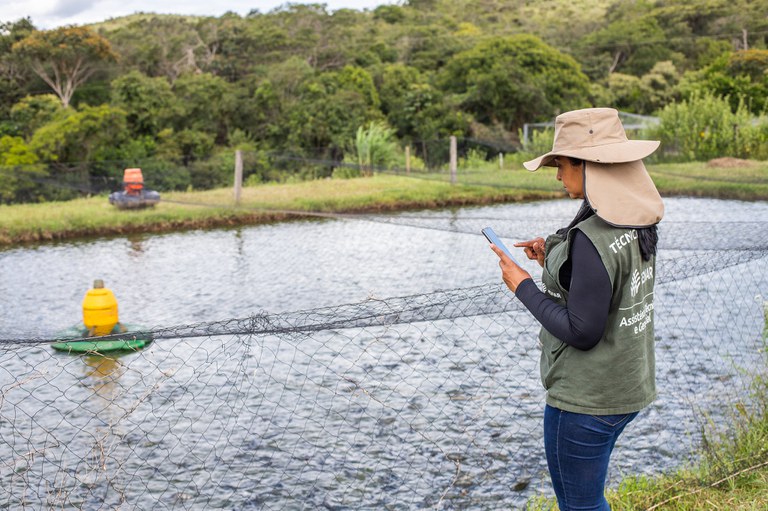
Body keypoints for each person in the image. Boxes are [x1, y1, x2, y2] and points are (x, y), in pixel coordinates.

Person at [488, 108, 664, 511]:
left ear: (591, 166)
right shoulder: (636, 221)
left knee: (580, 505)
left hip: (586, 400)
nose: (556, 175)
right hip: (628, 385)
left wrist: (523, 286)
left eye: (561, 164)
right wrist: (552, 253)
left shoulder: (591, 235)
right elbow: (604, 282)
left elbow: (583, 331)